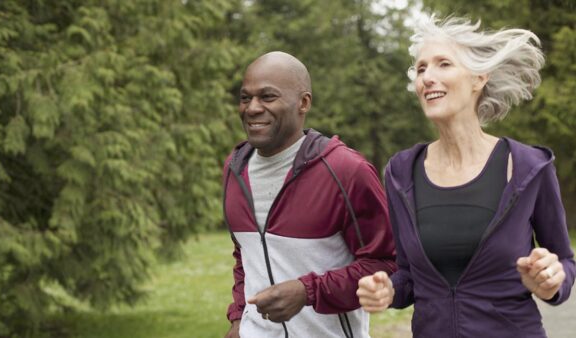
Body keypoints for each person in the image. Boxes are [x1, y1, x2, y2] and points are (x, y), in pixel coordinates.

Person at [356, 16, 576, 337]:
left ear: (478, 79)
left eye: (443, 64)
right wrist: (388, 289)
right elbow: (408, 276)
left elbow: (565, 263)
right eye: (420, 69)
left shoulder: (528, 166)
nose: (427, 77)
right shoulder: (401, 172)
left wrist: (551, 280)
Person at [222, 51, 396, 338]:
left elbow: (387, 264)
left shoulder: (346, 171)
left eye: (267, 97)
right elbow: (245, 254)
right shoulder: (235, 168)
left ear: (303, 103)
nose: (252, 108)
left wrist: (308, 291)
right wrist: (238, 319)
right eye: (245, 98)